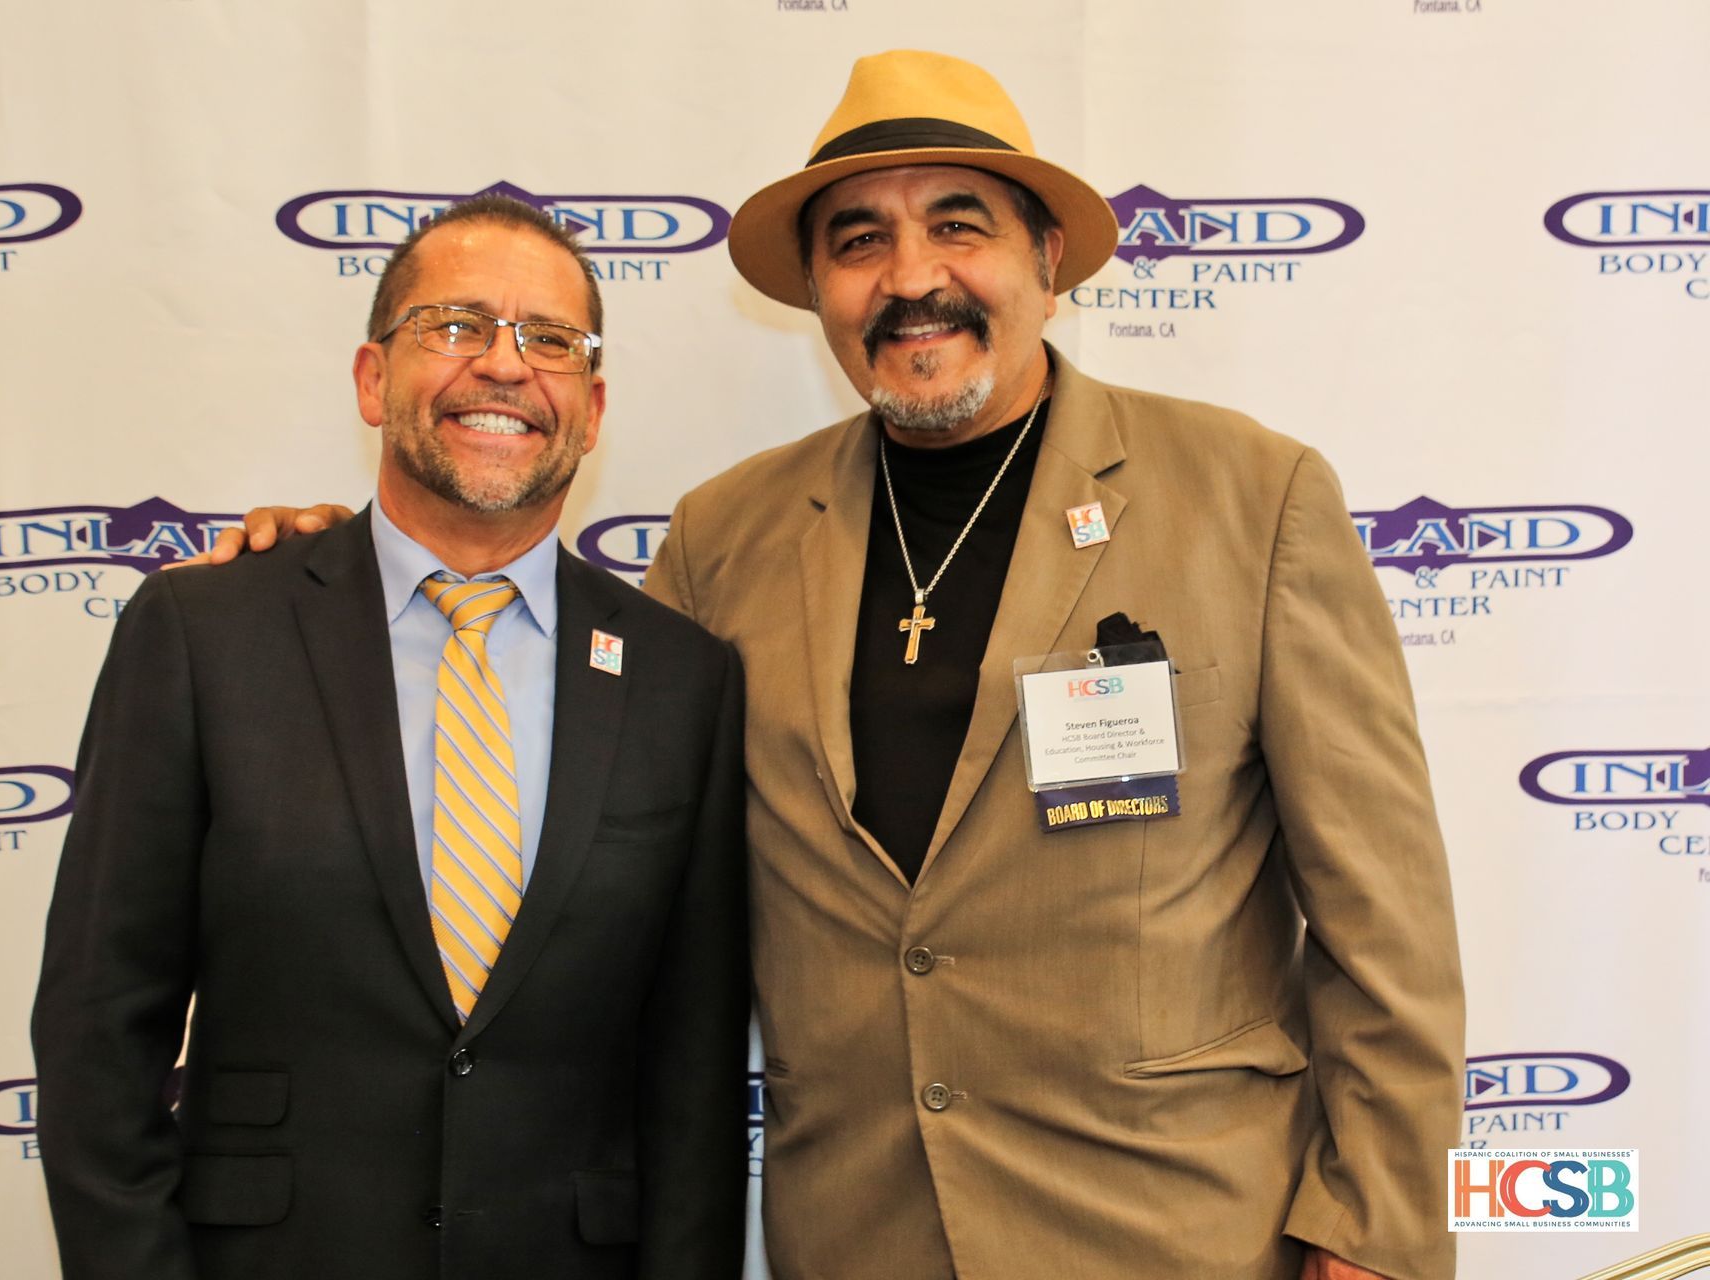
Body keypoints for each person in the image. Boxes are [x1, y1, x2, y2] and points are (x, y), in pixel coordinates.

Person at [207, 51, 1465, 1280]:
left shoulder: (1251, 499)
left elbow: (1384, 926)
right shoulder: (724, 539)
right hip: (859, 1237)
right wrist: (339, 575)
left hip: (1179, 1235)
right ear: (817, 290)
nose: (912, 278)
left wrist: (1377, 1232)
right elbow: (570, 794)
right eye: (859, 241)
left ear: (1049, 257)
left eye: (958, 226)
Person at [30, 195, 749, 1280]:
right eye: (455, 326)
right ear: (373, 379)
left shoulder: (680, 677)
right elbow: (97, 1032)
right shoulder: (203, 632)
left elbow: (691, 1080)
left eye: (550, 340)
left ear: (592, 409)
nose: (505, 367)